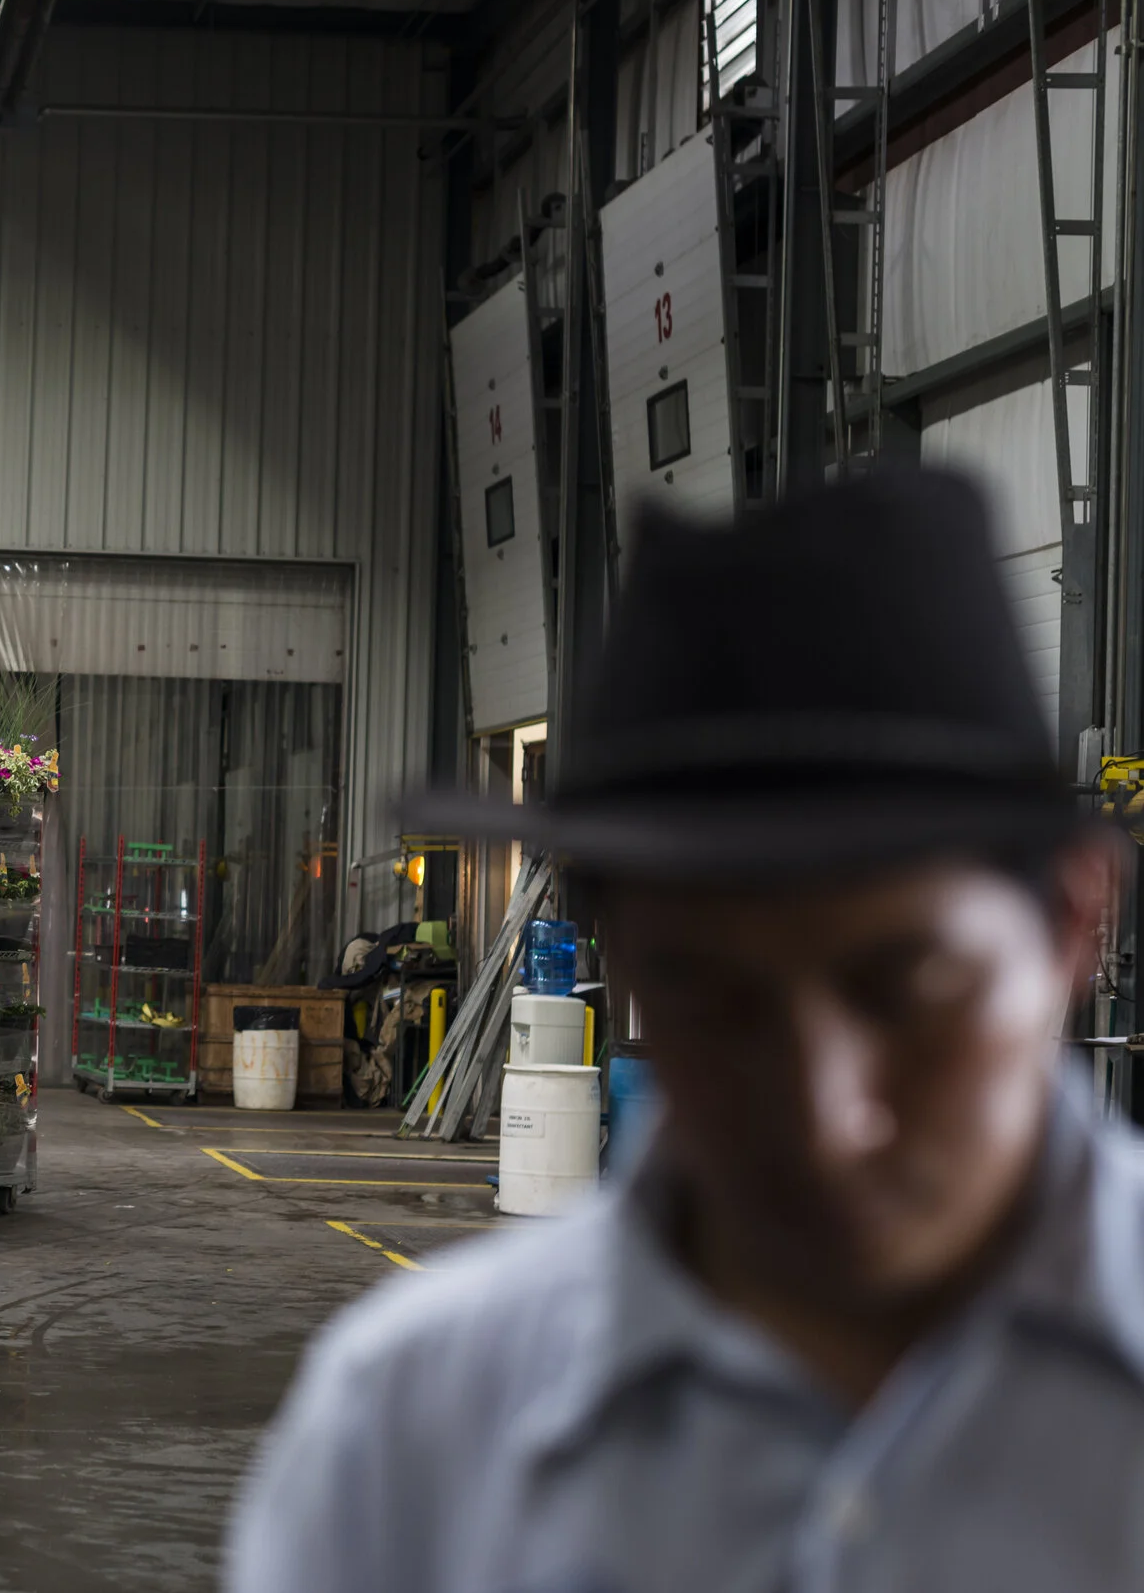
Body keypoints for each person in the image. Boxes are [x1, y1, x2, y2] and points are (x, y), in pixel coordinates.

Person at [228, 466, 1139, 1592]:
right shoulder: (416, 1429)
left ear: (1070, 924)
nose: (824, 1113)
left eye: (906, 989)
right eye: (717, 1001)